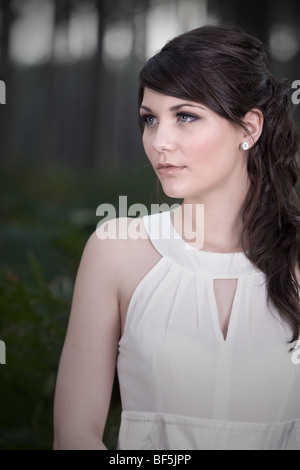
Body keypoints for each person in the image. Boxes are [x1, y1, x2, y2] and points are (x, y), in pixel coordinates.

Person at [53, 23, 300, 450]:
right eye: (150, 119)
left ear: (249, 128)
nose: (159, 141)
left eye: (185, 116)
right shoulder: (116, 250)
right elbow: (75, 434)